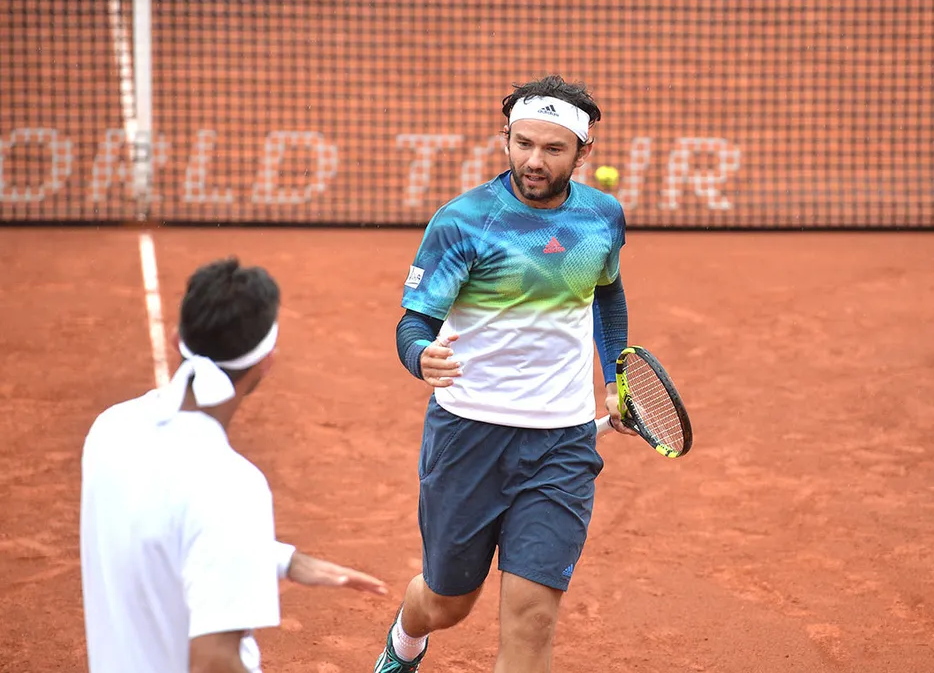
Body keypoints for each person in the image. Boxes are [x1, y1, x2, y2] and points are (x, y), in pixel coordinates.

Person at [376, 75, 638, 673]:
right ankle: (405, 640)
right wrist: (421, 355)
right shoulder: (464, 221)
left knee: (533, 619)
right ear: (506, 139)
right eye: (523, 144)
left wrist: (616, 377)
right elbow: (414, 323)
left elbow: (608, 293)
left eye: (552, 148)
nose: (534, 161)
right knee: (446, 603)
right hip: (468, 436)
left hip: (562, 442)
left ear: (583, 152)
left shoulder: (602, 216)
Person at [80, 257, 387, 673]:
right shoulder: (231, 486)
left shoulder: (111, 429)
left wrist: (281, 560)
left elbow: (163, 526)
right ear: (267, 361)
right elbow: (214, 662)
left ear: (177, 340)